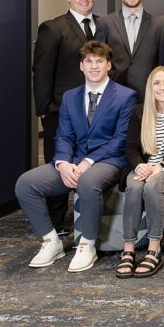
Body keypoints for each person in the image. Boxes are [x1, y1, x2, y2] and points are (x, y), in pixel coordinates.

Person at [16, 41, 136, 272]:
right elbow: (63, 136)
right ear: (81, 66)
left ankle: (87, 245)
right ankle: (51, 241)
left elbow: (120, 140)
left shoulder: (125, 96)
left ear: (109, 65)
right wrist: (62, 163)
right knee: (25, 184)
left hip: (108, 160)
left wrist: (86, 163)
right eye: (88, 61)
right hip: (73, 161)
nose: (94, 66)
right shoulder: (70, 97)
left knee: (87, 181)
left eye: (99, 61)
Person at [32, 0, 107, 235]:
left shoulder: (102, 25)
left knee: (88, 161)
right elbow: (41, 70)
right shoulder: (53, 28)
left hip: (95, 107)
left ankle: (85, 218)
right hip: (60, 109)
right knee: (59, 161)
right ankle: (55, 222)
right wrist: (45, 108)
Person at [116, 66, 164, 278]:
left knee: (153, 187)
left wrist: (160, 166)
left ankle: (154, 248)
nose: (162, 88)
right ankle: (128, 250)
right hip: (143, 166)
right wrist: (139, 165)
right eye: (157, 83)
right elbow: (130, 148)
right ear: (150, 87)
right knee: (134, 187)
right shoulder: (139, 112)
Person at [102, 0, 162, 103]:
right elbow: (101, 60)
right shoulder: (104, 23)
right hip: (113, 95)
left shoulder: (160, 25)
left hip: (148, 96)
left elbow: (162, 65)